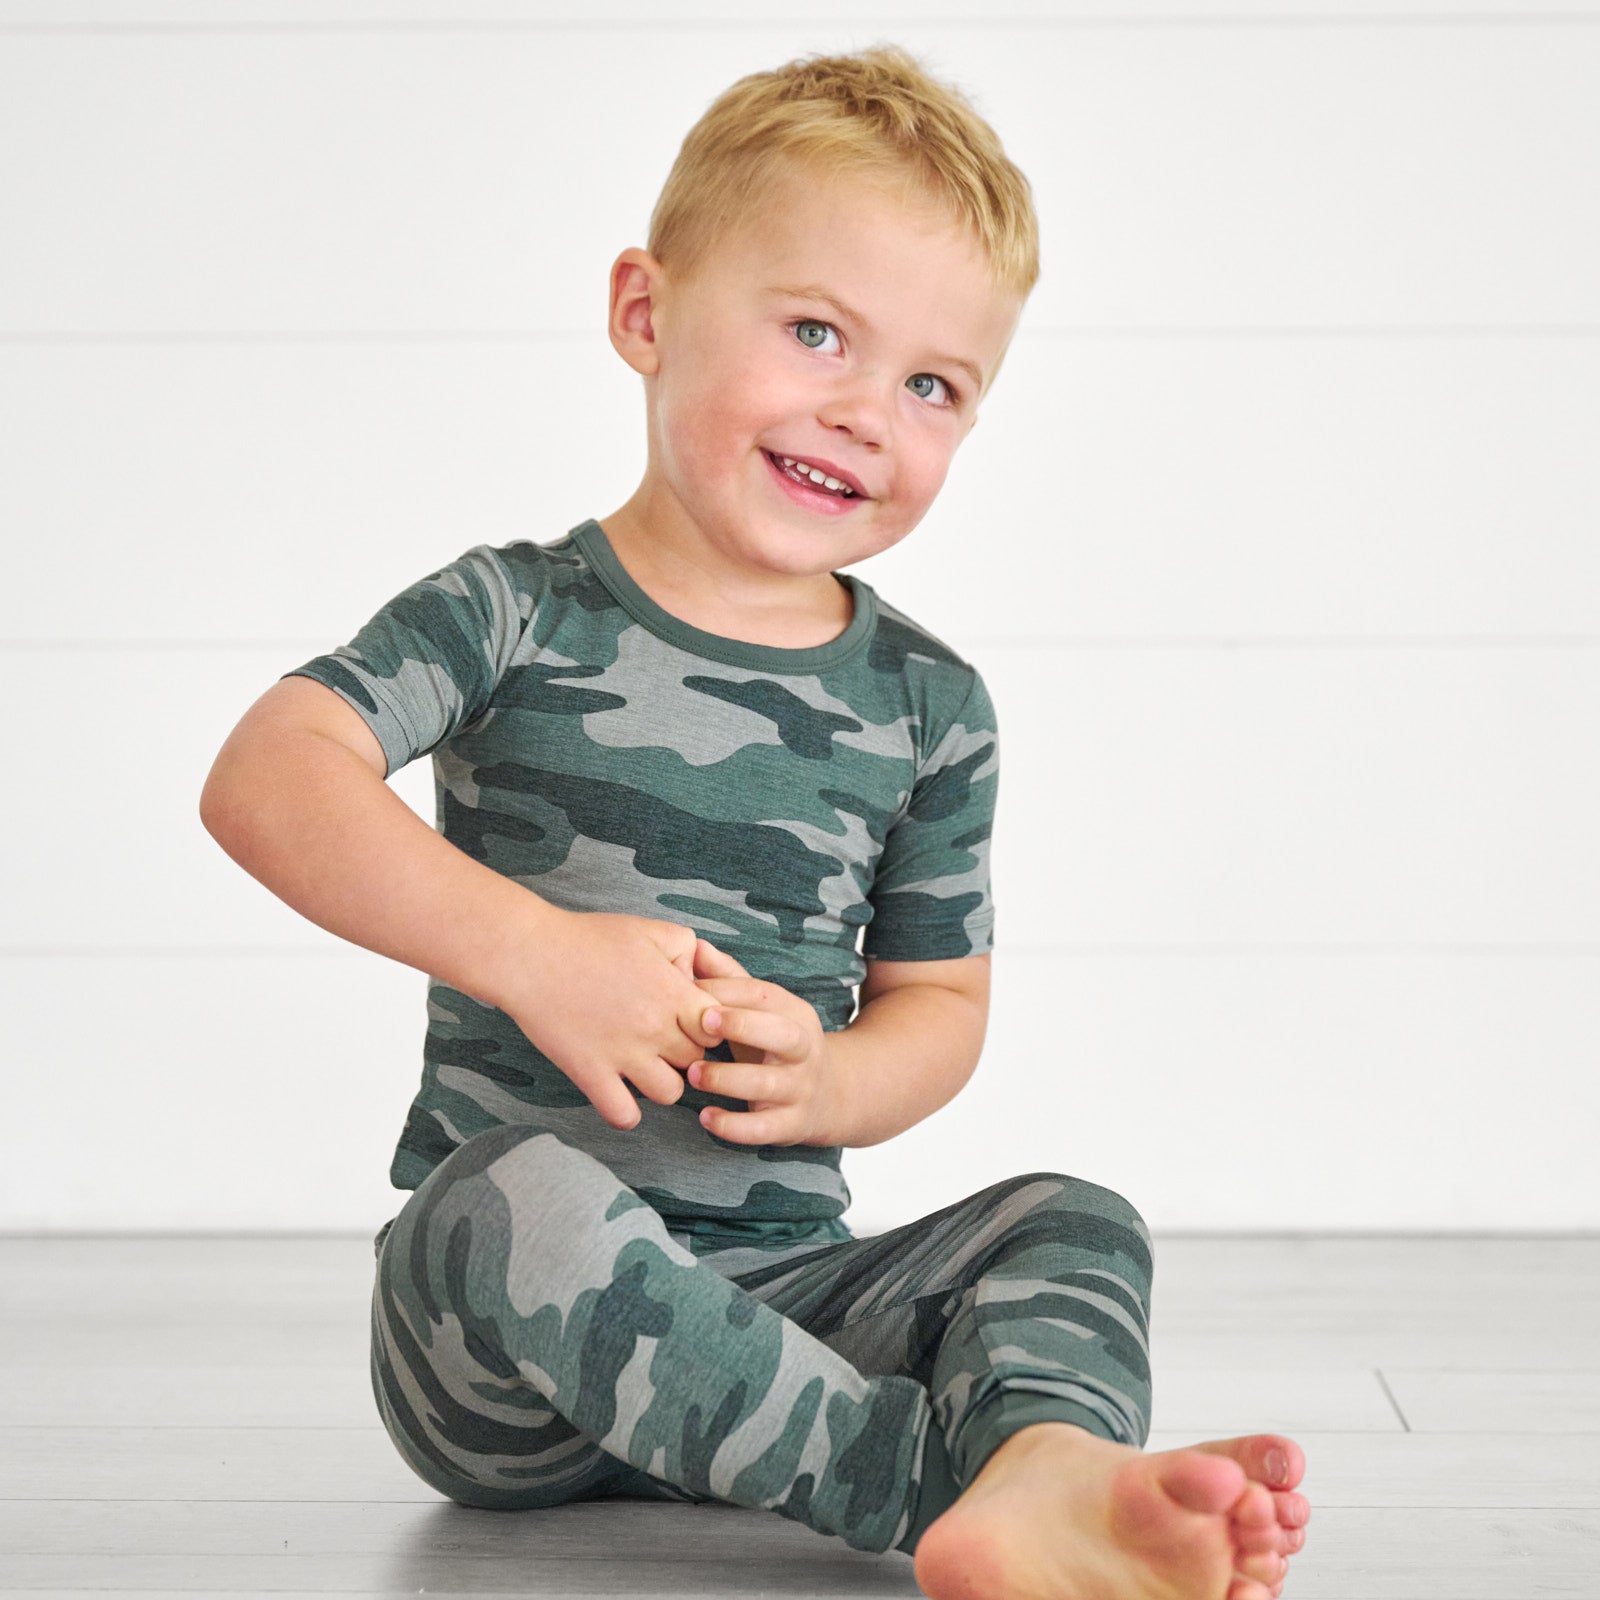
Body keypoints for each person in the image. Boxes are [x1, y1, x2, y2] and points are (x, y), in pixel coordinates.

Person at [200, 44, 1310, 1599]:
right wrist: (531, 951)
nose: (866, 413)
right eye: (815, 333)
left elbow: (942, 1010)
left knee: (1078, 1221)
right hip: (500, 1354)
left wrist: (837, 1079)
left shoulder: (932, 704)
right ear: (646, 315)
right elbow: (267, 772)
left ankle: (1049, 1461)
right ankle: (940, 1483)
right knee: (513, 1192)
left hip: (785, 1306)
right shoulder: (514, 613)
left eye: (931, 385)